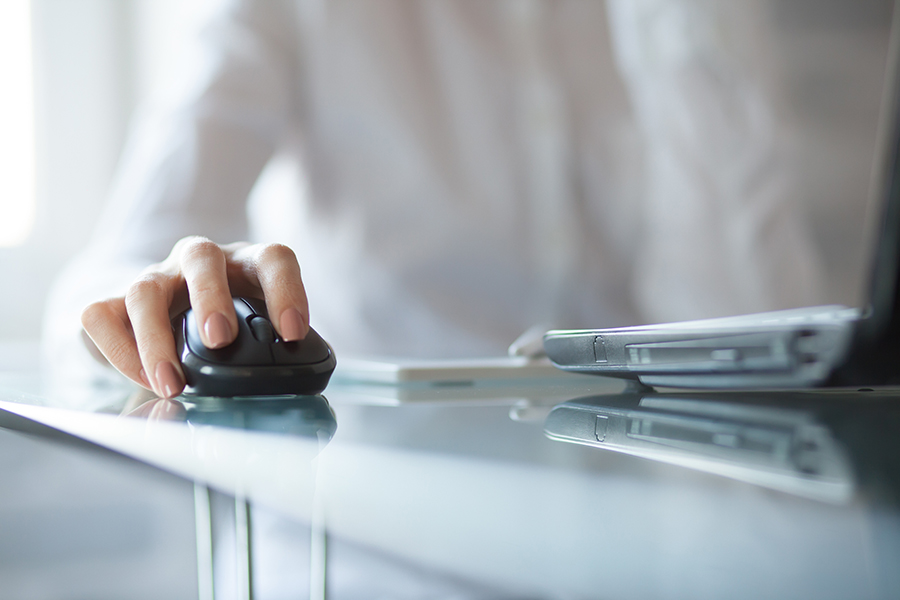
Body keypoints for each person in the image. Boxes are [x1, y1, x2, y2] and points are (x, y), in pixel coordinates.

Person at [43, 0, 825, 402]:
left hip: (635, 545)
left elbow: (763, 335)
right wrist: (167, 299)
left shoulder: (683, 21)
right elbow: (104, 279)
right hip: (362, 555)